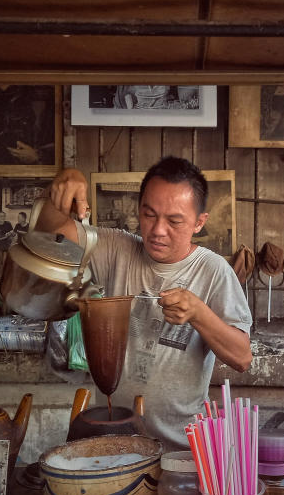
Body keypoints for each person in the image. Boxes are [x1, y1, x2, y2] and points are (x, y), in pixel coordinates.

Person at [38, 156, 253, 450]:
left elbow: (242, 358)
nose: (157, 230)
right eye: (149, 214)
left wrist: (198, 313)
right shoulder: (117, 249)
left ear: (199, 222)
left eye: (174, 221)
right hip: (117, 439)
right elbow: (48, 229)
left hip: (183, 450)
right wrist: (69, 177)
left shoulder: (213, 271)